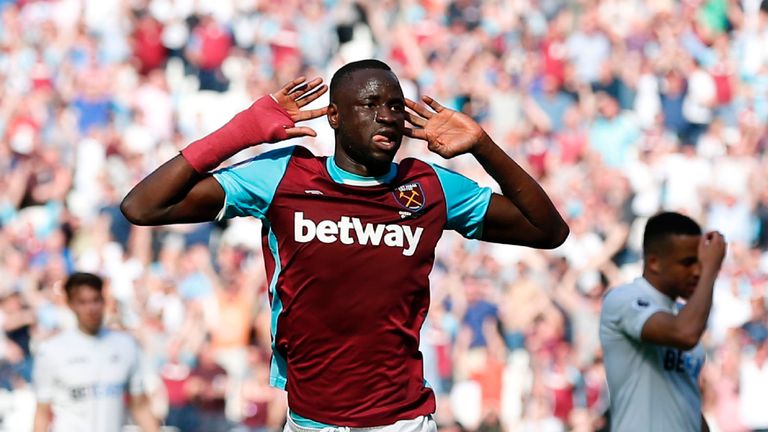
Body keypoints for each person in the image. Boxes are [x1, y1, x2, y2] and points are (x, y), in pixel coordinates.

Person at [121, 59, 569, 428]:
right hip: (310, 421)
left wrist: (484, 147)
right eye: (370, 104)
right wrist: (239, 133)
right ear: (334, 115)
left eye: (396, 106)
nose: (387, 116)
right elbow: (143, 207)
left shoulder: (429, 187)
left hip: (403, 422)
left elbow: (548, 231)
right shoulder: (283, 176)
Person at [599, 212, 727, 432]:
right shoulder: (623, 299)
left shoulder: (683, 315)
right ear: (654, 263)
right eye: (688, 263)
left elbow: (686, 404)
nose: (697, 271)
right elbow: (684, 334)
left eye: (700, 263)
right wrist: (710, 270)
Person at [32, 272, 160, 432]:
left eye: (96, 300)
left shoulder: (125, 345)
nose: (91, 309)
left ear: (103, 301)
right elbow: (43, 413)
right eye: (83, 302)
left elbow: (140, 406)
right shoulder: (52, 350)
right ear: (71, 304)